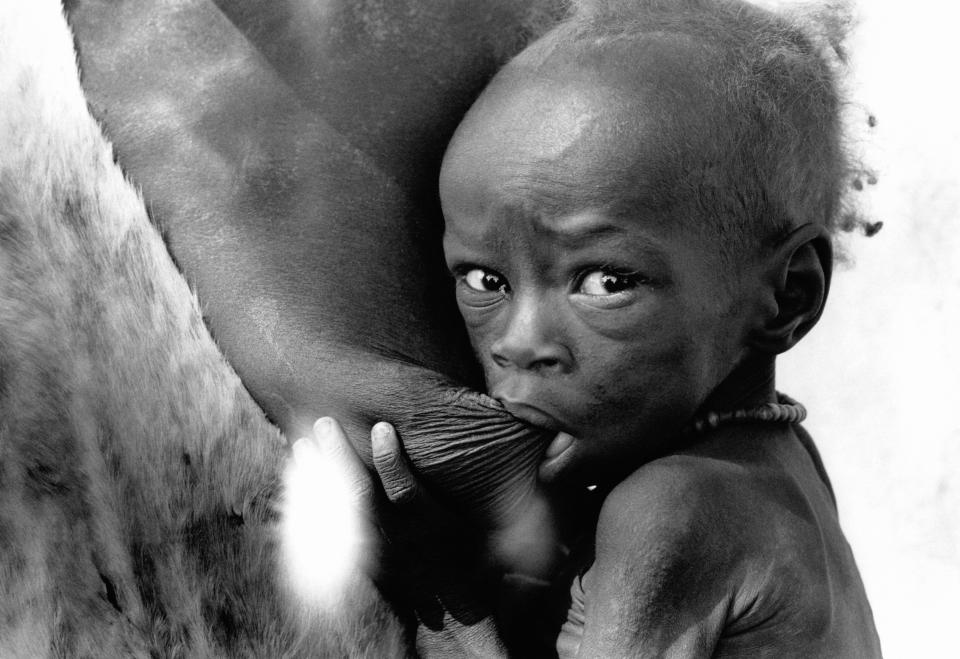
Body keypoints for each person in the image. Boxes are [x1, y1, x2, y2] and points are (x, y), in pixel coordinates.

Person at [292, 0, 882, 655]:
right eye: (487, 281)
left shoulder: (672, 506)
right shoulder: (781, 458)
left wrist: (442, 592)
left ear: (788, 297)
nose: (519, 341)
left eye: (606, 280)